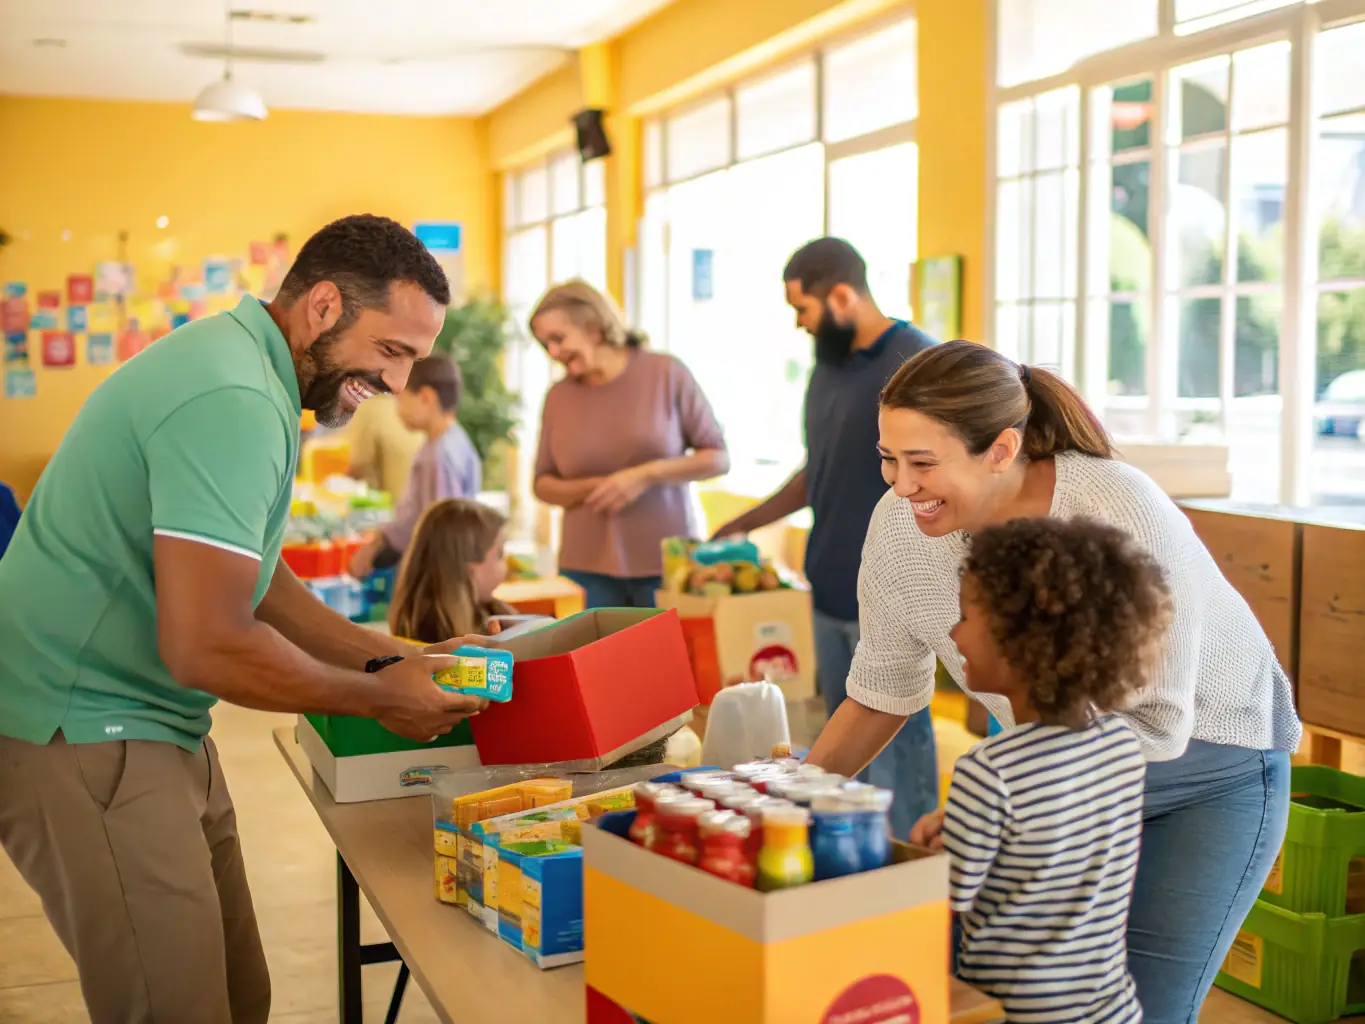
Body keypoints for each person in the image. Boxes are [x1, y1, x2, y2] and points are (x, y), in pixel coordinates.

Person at [0, 214, 489, 1024]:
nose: (399, 384)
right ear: (324, 305)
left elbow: (254, 579)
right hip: (82, 724)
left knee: (238, 996)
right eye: (392, 351)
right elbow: (206, 643)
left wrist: (396, 657)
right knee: (178, 1008)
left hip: (151, 721)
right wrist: (379, 698)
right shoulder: (231, 395)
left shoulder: (247, 370)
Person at [806, 340, 1301, 1023]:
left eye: (922, 462)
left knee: (1145, 1010)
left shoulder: (1115, 509)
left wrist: (1007, 807)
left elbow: (1158, 724)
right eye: (887, 458)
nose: (900, 484)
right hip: (1056, 778)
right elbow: (881, 687)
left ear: (1002, 449)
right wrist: (794, 791)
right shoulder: (900, 527)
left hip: (1206, 773)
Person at [710, 237, 937, 839]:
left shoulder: (917, 363)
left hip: (893, 594)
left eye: (803, 309)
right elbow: (820, 467)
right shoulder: (828, 367)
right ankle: (850, 870)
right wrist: (748, 521)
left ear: (842, 295)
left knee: (899, 750)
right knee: (845, 747)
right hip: (831, 584)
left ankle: (913, 879)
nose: (799, 324)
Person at [913, 516, 1171, 1024]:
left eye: (966, 616)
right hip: (1110, 1006)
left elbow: (951, 894)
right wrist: (969, 830)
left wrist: (927, 849)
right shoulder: (1120, 742)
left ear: (1020, 640)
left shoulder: (990, 770)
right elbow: (1056, 842)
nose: (954, 633)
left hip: (1020, 1010)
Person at [530, 279, 729, 608]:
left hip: (667, 565)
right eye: (544, 345)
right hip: (584, 570)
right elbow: (542, 483)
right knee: (592, 660)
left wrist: (644, 476)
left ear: (594, 327)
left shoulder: (666, 373)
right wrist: (600, 487)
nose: (553, 353)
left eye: (558, 338)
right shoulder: (558, 397)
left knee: (664, 660)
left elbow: (718, 458)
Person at [348, 354, 481, 578]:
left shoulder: (441, 456)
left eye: (402, 400)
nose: (398, 409)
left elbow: (440, 531)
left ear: (426, 398)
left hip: (436, 576)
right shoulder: (448, 442)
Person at [388, 498, 515, 643]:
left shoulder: (493, 612)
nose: (506, 565)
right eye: (499, 554)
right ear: (470, 568)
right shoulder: (433, 632)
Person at [344, 392, 425, 502]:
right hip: (423, 508)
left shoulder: (369, 406)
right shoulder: (414, 404)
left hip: (396, 510)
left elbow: (355, 467)